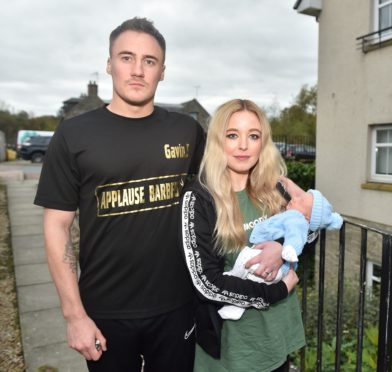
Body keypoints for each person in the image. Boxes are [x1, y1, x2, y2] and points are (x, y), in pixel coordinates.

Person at [34, 17, 205, 371]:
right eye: (126, 58)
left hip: (177, 306)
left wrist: (292, 197)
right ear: (109, 64)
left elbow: (228, 182)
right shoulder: (73, 135)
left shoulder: (187, 130)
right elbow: (57, 227)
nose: (138, 70)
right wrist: (74, 315)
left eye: (150, 61)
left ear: (162, 71)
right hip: (105, 310)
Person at [180, 98, 332, 372]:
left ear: (263, 143)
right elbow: (205, 283)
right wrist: (275, 291)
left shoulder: (276, 187)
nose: (243, 145)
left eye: (253, 136)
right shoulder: (199, 198)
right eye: (232, 135)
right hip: (232, 348)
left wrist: (281, 247)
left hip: (276, 336)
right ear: (217, 141)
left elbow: (308, 232)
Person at [218, 184, 343, 320]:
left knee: (247, 261)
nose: (295, 198)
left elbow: (305, 238)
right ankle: (235, 295)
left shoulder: (280, 192)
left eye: (300, 200)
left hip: (281, 314)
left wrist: (281, 248)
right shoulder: (207, 196)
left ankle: (236, 295)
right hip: (243, 322)